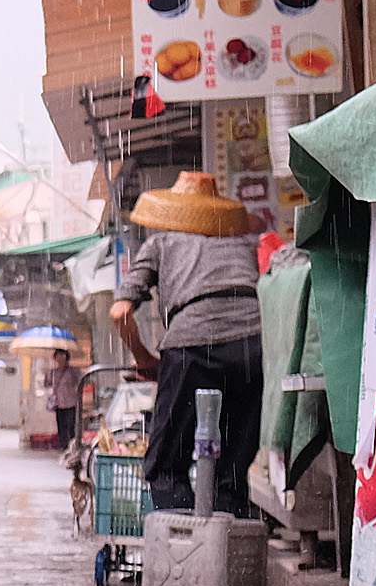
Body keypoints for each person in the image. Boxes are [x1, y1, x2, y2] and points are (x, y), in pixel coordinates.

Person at [109, 171, 264, 514]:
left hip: (190, 346)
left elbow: (119, 312)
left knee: (165, 464)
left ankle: (184, 546)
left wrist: (145, 358)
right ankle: (227, 553)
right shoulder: (242, 244)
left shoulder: (161, 243)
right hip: (253, 347)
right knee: (232, 469)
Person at [44, 348, 82, 450]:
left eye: (63, 356)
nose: (60, 358)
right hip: (59, 403)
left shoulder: (73, 371)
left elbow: (80, 382)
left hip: (71, 402)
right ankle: (64, 446)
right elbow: (47, 384)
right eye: (58, 356)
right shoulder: (53, 373)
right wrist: (45, 375)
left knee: (71, 425)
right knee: (61, 426)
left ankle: (73, 445)